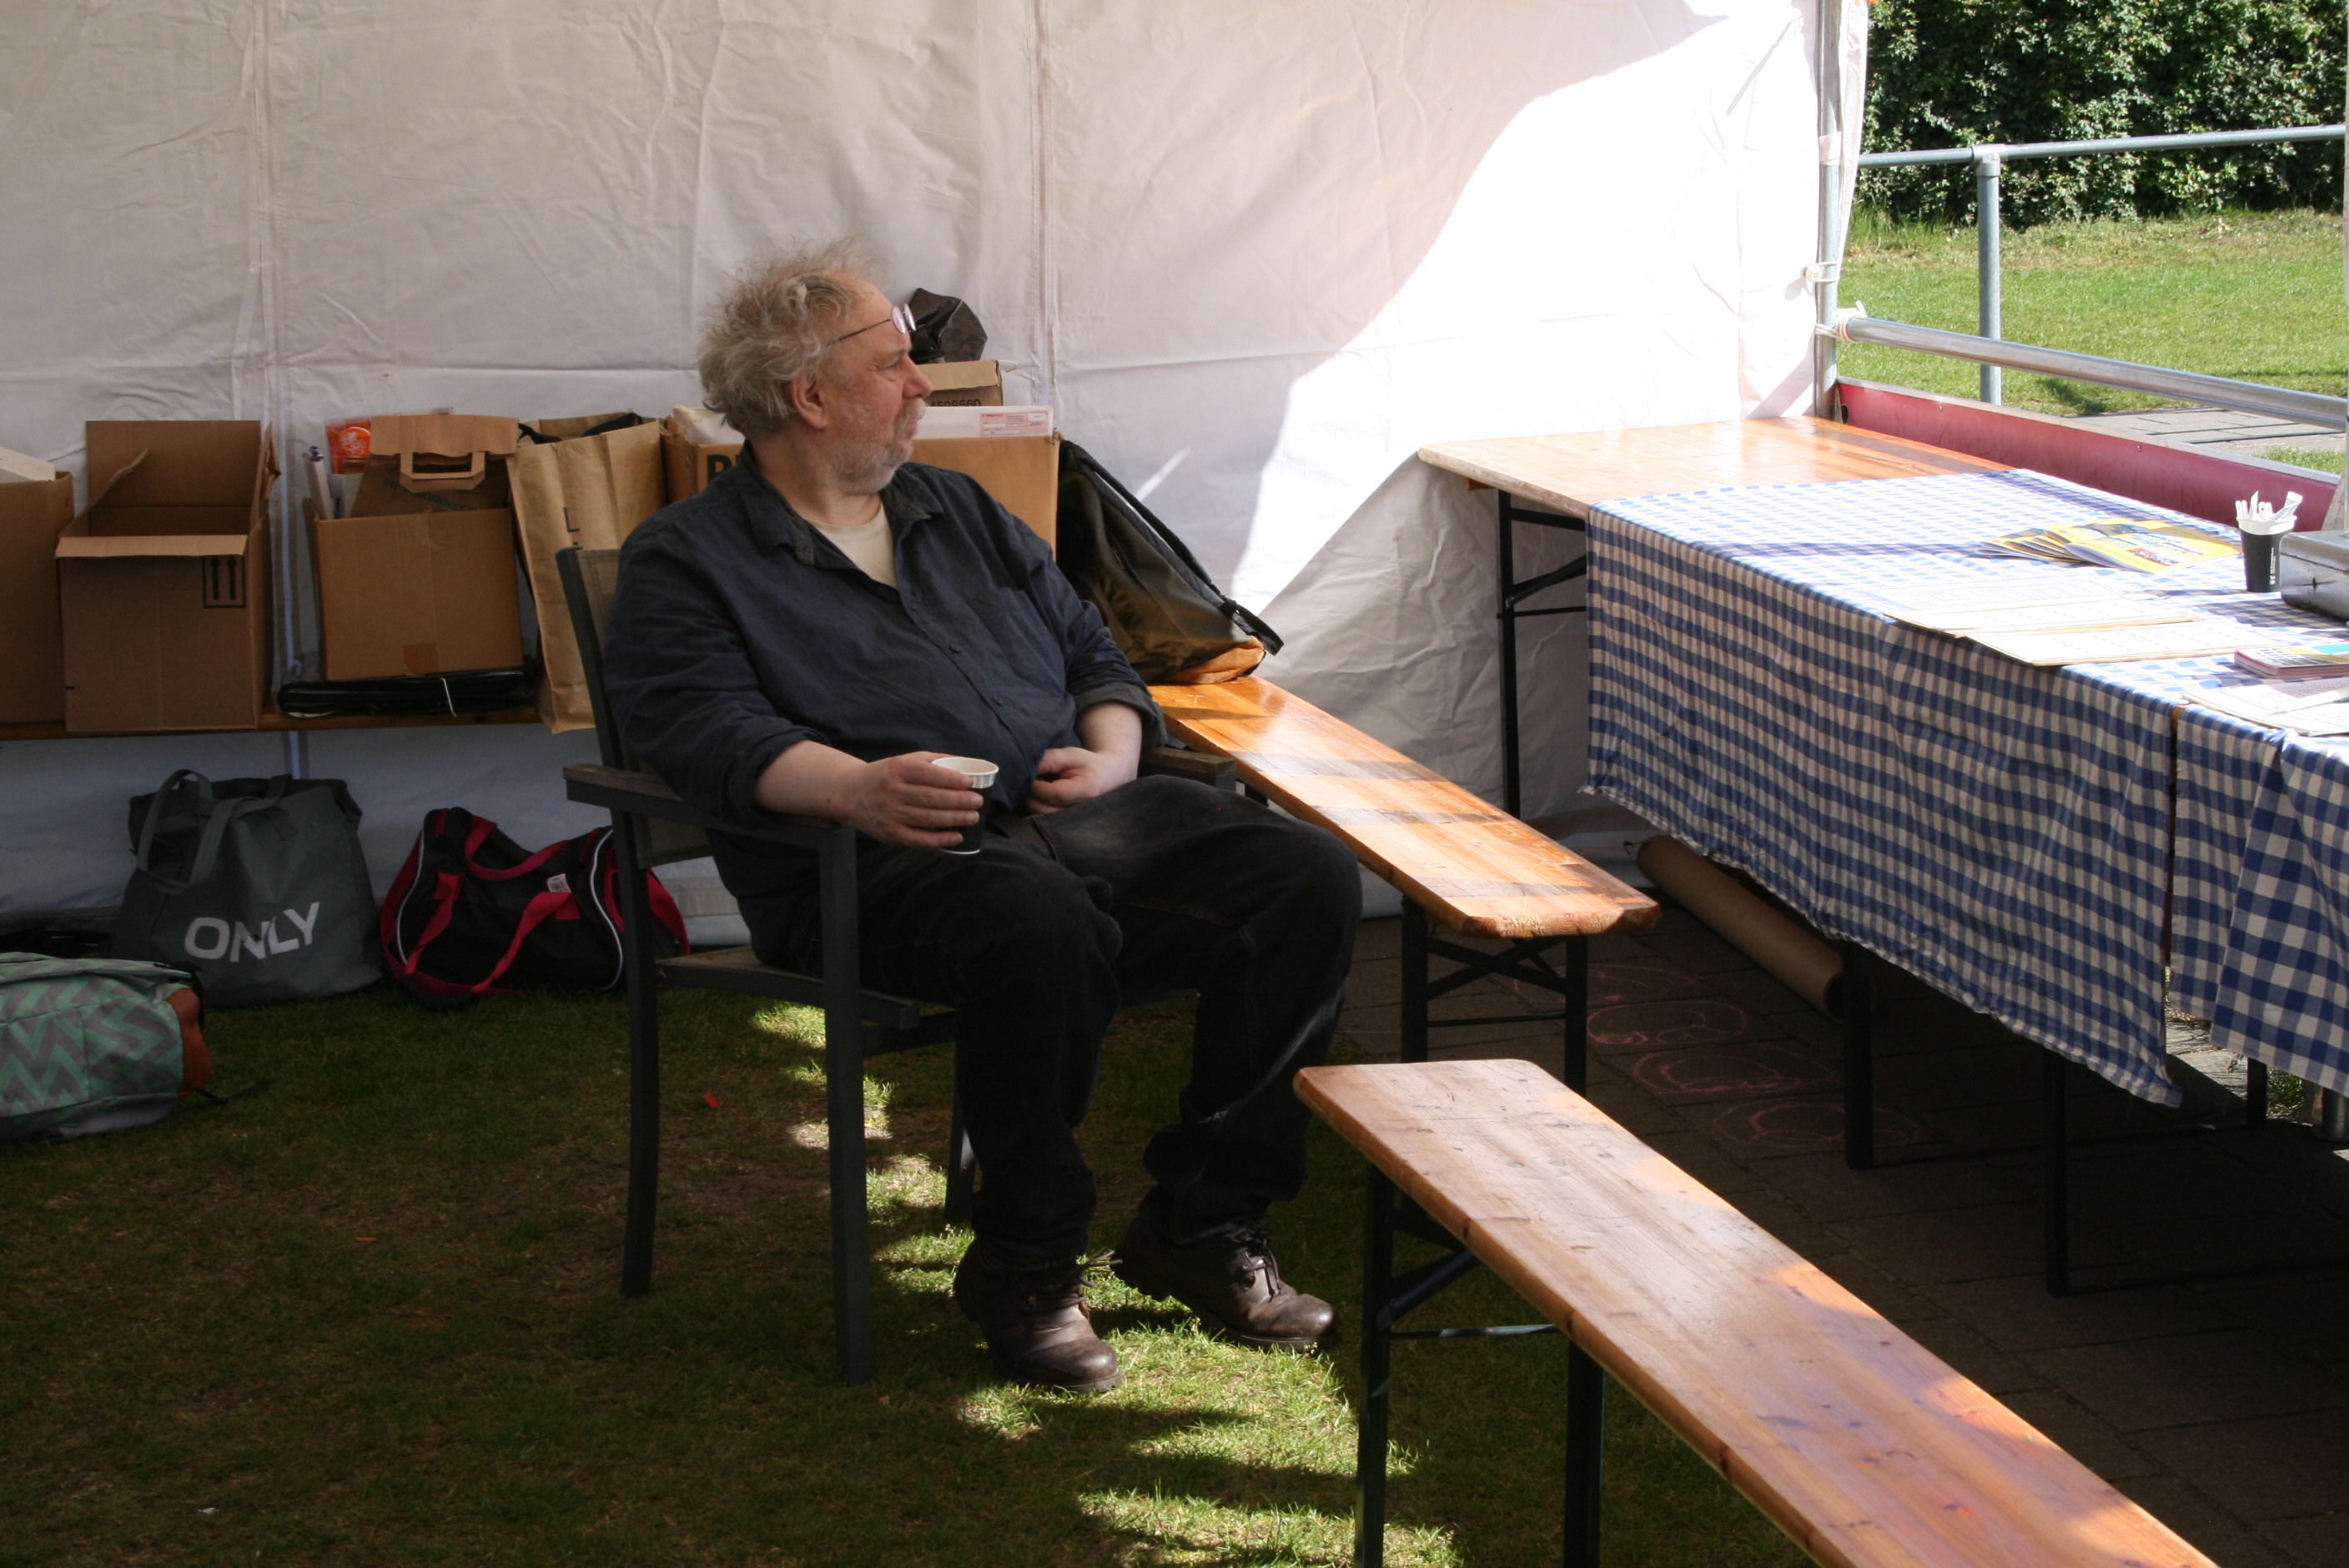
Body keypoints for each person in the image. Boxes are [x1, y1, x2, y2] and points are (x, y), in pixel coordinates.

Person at [603, 242, 1361, 1393]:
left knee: (1300, 878)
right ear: (809, 396)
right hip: (865, 868)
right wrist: (855, 788)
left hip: (1064, 826)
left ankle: (1201, 1222)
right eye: (892, 365)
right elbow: (701, 729)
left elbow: (1093, 646)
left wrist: (1113, 753)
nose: (921, 384)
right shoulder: (690, 558)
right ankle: (1027, 1265)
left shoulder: (953, 507)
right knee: (1037, 921)